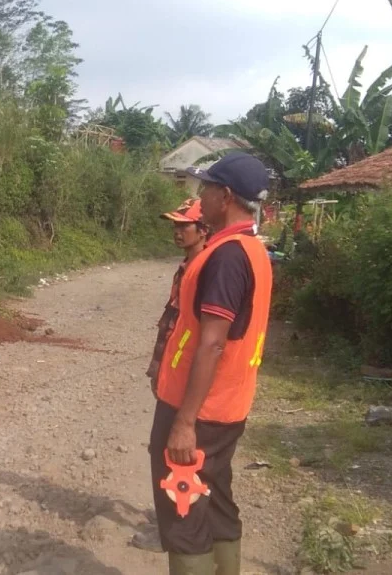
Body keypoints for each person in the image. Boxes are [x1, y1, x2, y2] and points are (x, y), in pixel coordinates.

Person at [147, 152, 273, 575]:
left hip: (200, 408)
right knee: (215, 498)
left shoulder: (227, 257)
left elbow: (213, 343)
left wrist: (185, 421)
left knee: (183, 506)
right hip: (226, 405)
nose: (201, 198)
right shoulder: (249, 250)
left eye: (207, 188)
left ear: (227, 196)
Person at [146, 197, 209, 397]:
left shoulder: (206, 270)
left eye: (184, 226)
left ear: (203, 230)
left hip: (186, 366)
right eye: (175, 226)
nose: (177, 232)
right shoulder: (186, 266)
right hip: (172, 359)